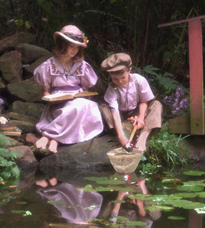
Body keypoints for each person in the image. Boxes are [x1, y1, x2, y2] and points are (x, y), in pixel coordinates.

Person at [33, 25, 104, 153]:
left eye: (77, 47)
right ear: (62, 44)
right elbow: (45, 92)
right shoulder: (49, 65)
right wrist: (49, 98)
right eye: (72, 46)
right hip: (58, 99)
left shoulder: (81, 65)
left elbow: (86, 88)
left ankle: (53, 138)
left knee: (89, 106)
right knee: (75, 108)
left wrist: (86, 94)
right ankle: (50, 136)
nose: (75, 50)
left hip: (77, 97)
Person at [99, 53, 162, 152]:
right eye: (115, 79)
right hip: (120, 115)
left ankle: (143, 136)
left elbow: (144, 101)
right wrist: (121, 137)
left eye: (123, 77)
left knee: (157, 104)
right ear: (110, 75)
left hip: (137, 111)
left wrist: (141, 117)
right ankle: (123, 132)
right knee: (103, 107)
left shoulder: (139, 80)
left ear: (129, 70)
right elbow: (114, 112)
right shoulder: (112, 89)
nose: (120, 82)